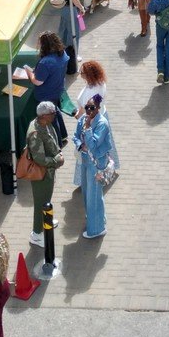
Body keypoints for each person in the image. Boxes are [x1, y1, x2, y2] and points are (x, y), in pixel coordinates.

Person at [24, 102, 64, 246]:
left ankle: (46, 220)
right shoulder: (35, 133)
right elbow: (39, 158)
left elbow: (52, 139)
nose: (55, 115)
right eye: (53, 113)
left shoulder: (45, 123)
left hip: (48, 172)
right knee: (41, 203)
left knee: (46, 200)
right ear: (44, 115)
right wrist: (56, 160)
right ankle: (36, 233)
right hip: (42, 174)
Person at [72, 98, 113, 238]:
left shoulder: (102, 124)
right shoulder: (83, 119)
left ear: (98, 108)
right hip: (85, 160)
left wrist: (88, 128)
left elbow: (94, 146)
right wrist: (79, 145)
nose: (89, 110)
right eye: (87, 107)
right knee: (87, 192)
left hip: (96, 164)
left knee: (93, 195)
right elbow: (75, 136)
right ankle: (96, 218)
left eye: (92, 107)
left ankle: (96, 229)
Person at [30, 33, 70, 145]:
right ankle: (63, 135)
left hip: (46, 94)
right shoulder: (62, 54)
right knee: (55, 111)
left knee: (50, 118)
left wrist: (30, 73)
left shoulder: (45, 62)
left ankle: (57, 143)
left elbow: (37, 81)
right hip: (58, 90)